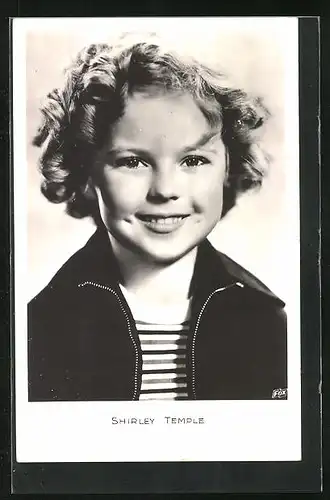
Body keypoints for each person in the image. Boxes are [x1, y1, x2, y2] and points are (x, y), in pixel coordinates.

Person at [28, 36, 287, 402]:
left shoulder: (271, 324)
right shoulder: (40, 328)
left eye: (194, 160)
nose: (165, 190)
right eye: (133, 161)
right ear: (86, 175)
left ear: (230, 168)